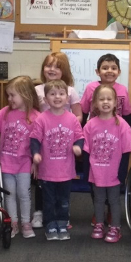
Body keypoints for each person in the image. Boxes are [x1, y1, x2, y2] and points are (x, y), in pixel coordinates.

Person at [0, 76, 41, 239]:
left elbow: (40, 141)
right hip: (6, 163)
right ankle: (12, 222)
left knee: (24, 194)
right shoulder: (5, 113)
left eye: (13, 95)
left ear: (26, 95)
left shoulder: (36, 117)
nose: (10, 99)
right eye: (8, 95)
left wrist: (36, 161)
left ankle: (26, 222)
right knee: (9, 194)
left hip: (24, 163)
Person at [32, 52, 83, 228]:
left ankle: (62, 213)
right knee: (41, 177)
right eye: (48, 65)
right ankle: (39, 211)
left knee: (61, 178)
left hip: (61, 139)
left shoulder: (70, 91)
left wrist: (68, 127)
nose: (52, 69)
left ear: (64, 71)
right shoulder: (37, 90)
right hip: (41, 138)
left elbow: (78, 115)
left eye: (57, 66)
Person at [83, 85, 131, 243]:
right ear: (95, 104)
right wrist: (87, 171)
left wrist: (122, 173)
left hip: (114, 173)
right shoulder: (90, 125)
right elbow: (86, 151)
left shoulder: (122, 125)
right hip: (96, 172)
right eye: (101, 99)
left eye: (109, 99)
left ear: (115, 103)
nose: (105, 102)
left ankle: (115, 227)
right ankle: (99, 224)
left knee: (113, 200)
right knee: (98, 200)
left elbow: (127, 151)